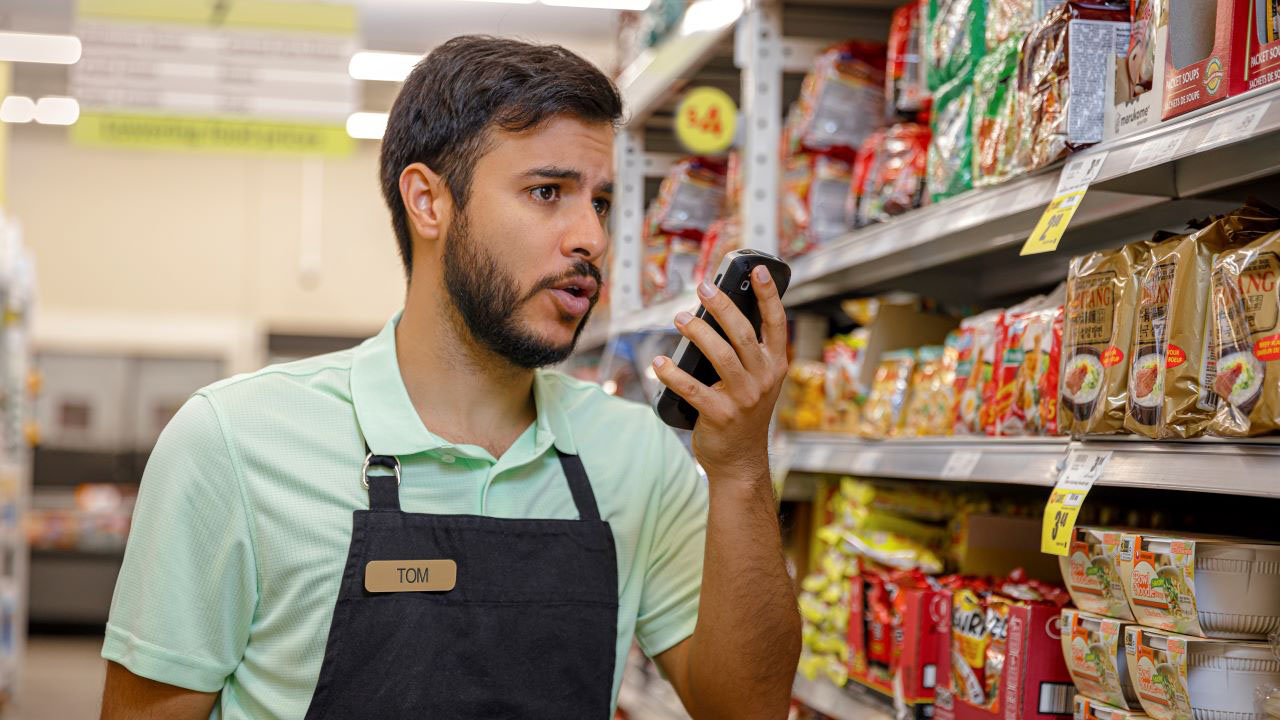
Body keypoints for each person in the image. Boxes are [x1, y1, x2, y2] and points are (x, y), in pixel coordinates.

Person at [99, 35, 800, 720]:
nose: (590, 236)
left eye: (601, 203)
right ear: (428, 202)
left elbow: (749, 707)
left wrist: (739, 469)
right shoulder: (234, 444)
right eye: (548, 191)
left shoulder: (635, 455)